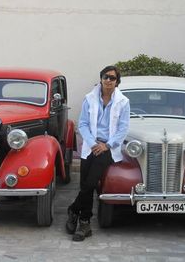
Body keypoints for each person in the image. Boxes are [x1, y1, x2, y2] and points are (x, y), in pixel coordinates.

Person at [66, 65, 130, 241]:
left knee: (90, 183)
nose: (108, 80)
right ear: (101, 79)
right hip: (91, 146)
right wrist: (93, 143)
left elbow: (123, 129)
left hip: (109, 149)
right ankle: (79, 216)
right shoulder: (89, 99)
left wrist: (107, 145)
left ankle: (81, 218)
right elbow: (83, 124)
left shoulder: (123, 102)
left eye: (112, 78)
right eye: (106, 77)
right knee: (86, 183)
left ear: (117, 82)